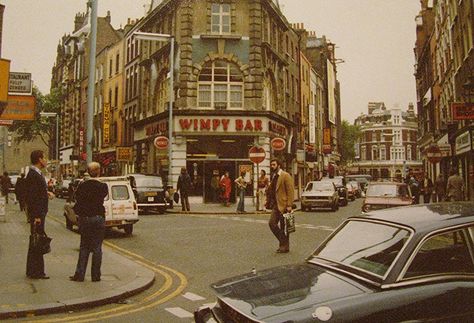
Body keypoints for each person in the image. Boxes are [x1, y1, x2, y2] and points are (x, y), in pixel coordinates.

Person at [70, 162, 108, 282]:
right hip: (98, 218)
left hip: (85, 218)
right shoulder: (103, 186)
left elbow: (77, 198)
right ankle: (96, 276)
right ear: (99, 172)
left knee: (84, 246)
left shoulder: (82, 185)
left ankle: (80, 275)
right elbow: (103, 196)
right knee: (97, 248)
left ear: (88, 171)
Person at [25, 150, 54, 279]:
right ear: (39, 159)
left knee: (36, 240)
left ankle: (33, 270)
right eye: (44, 158)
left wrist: (46, 194)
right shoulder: (33, 175)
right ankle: (36, 272)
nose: (46, 160)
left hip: (39, 212)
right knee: (37, 240)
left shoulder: (36, 174)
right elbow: (32, 197)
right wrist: (36, 216)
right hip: (38, 214)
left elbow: (37, 192)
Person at [266, 158, 294, 253]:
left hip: (284, 205)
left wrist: (289, 205)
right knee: (272, 223)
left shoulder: (285, 175)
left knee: (284, 227)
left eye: (273, 165)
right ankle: (283, 242)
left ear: (279, 165)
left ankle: (284, 246)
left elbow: (290, 190)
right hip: (276, 205)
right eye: (271, 165)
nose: (272, 166)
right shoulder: (274, 176)